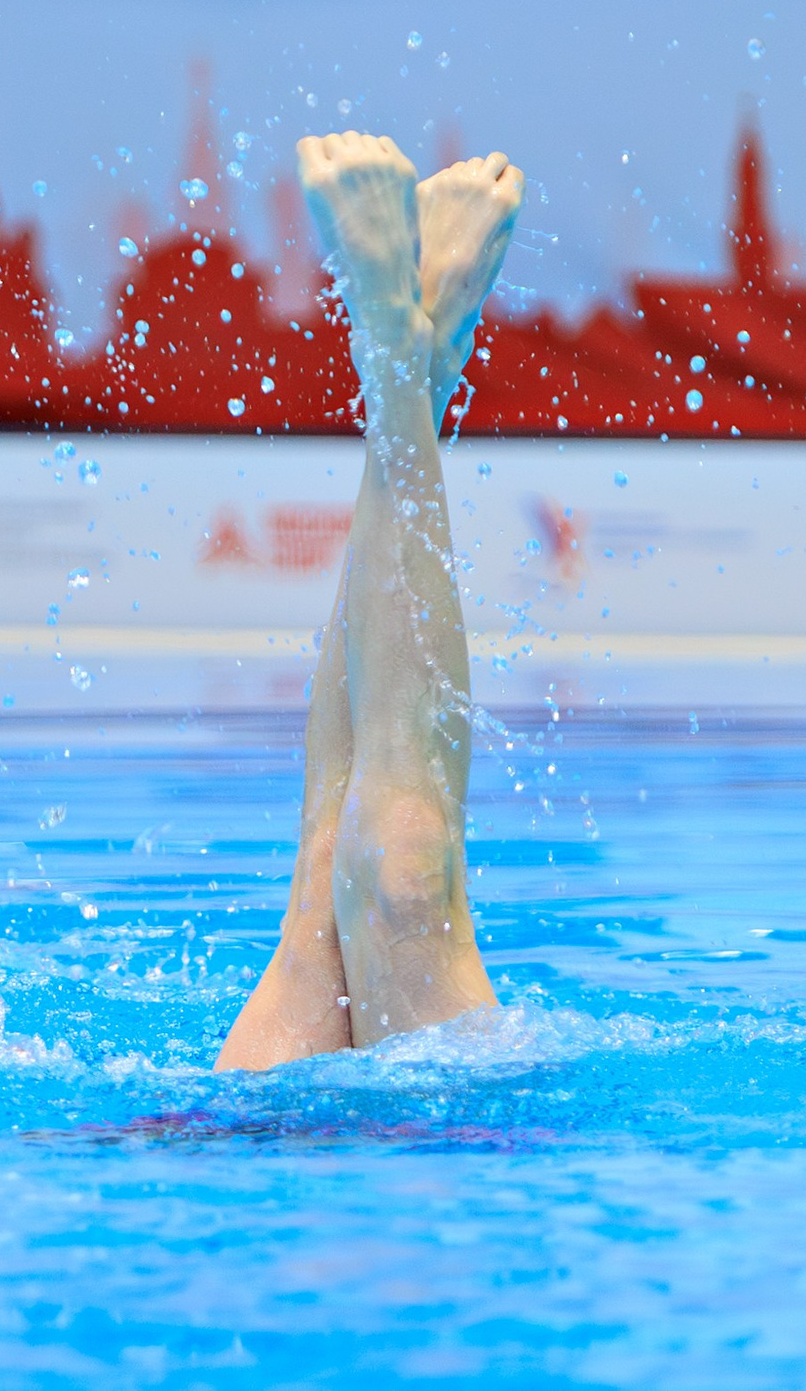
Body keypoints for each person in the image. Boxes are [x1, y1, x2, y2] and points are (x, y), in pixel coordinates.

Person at [218, 134, 524, 1069]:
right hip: (451, 1159)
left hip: (237, 1147)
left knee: (329, 892)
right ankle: (403, 366)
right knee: (401, 876)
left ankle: (401, 358)